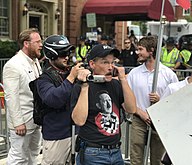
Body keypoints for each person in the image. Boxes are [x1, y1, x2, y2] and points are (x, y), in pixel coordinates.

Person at [70, 44, 137, 165]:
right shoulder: (80, 87)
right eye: (105, 62)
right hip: (93, 152)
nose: (110, 67)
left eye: (113, 62)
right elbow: (79, 121)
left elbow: (131, 109)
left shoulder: (115, 85)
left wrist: (123, 80)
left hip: (115, 150)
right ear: (92, 64)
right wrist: (84, 86)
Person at [127, 36, 179, 165]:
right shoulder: (134, 73)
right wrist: (140, 113)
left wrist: (160, 100)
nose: (137, 52)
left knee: (157, 158)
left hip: (159, 120)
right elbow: (126, 99)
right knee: (136, 158)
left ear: (151, 51)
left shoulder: (168, 74)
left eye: (140, 49)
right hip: (139, 118)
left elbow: (176, 101)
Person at [36, 34, 83, 165]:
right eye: (63, 53)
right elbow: (53, 99)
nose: (67, 57)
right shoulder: (44, 79)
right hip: (56, 136)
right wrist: (71, 78)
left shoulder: (71, 72)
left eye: (68, 52)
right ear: (52, 54)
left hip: (77, 132)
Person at [3, 28, 43, 165]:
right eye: (37, 42)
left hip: (36, 120)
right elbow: (11, 97)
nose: (41, 44)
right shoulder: (13, 65)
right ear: (26, 44)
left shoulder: (35, 61)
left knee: (34, 155)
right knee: (18, 158)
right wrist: (18, 122)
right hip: (22, 123)